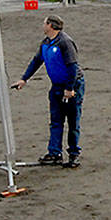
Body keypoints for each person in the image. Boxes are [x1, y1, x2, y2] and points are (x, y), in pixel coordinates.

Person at [11, 13, 84, 168]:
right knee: (56, 120)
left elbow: (72, 67)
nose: (42, 25)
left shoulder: (65, 43)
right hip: (56, 85)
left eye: (44, 23)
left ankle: (73, 154)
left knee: (73, 121)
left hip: (72, 85)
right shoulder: (46, 43)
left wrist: (69, 88)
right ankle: (54, 153)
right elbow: (37, 61)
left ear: (51, 25)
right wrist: (24, 79)